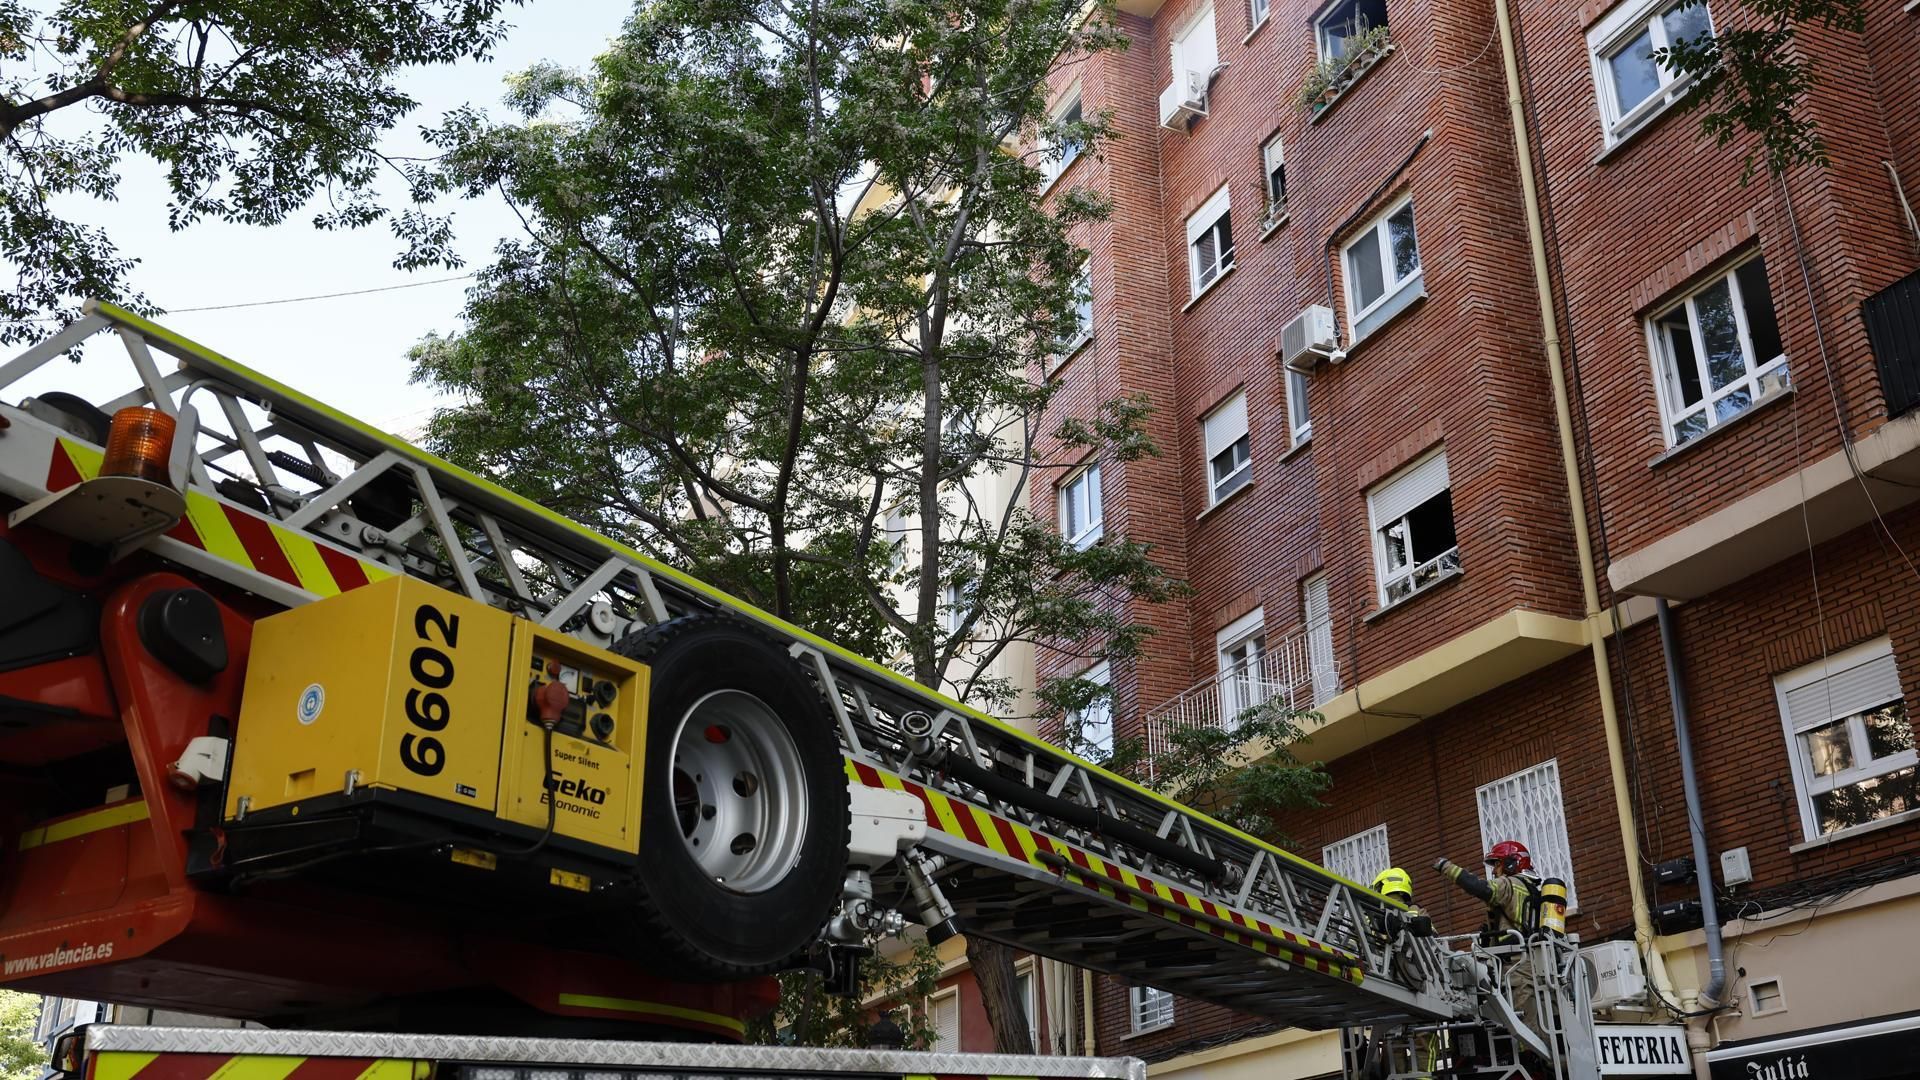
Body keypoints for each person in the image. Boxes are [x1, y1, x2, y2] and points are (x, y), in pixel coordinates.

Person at [1433, 840, 1545, 943]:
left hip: (1514, 958)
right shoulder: (1530, 888)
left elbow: (1478, 887)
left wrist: (1445, 867)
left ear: (1511, 863)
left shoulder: (1509, 883)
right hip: (1528, 954)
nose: (1494, 871)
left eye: (1497, 865)